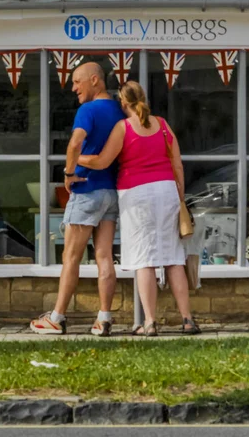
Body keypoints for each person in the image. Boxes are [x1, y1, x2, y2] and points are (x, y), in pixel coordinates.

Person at [78, 80, 201, 337]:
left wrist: (75, 158)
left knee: (144, 259)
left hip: (136, 193)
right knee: (173, 258)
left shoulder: (123, 128)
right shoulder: (163, 125)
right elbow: (177, 164)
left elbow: (102, 162)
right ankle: (188, 320)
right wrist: (179, 194)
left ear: (122, 103)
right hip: (166, 190)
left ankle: (150, 322)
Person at [30, 62, 125, 337]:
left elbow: (75, 143)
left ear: (95, 80)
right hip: (110, 191)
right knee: (105, 256)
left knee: (70, 256)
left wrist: (69, 173)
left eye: (77, 82)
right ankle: (103, 318)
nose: (73, 88)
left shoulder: (88, 110)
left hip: (86, 190)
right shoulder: (119, 110)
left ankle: (57, 317)